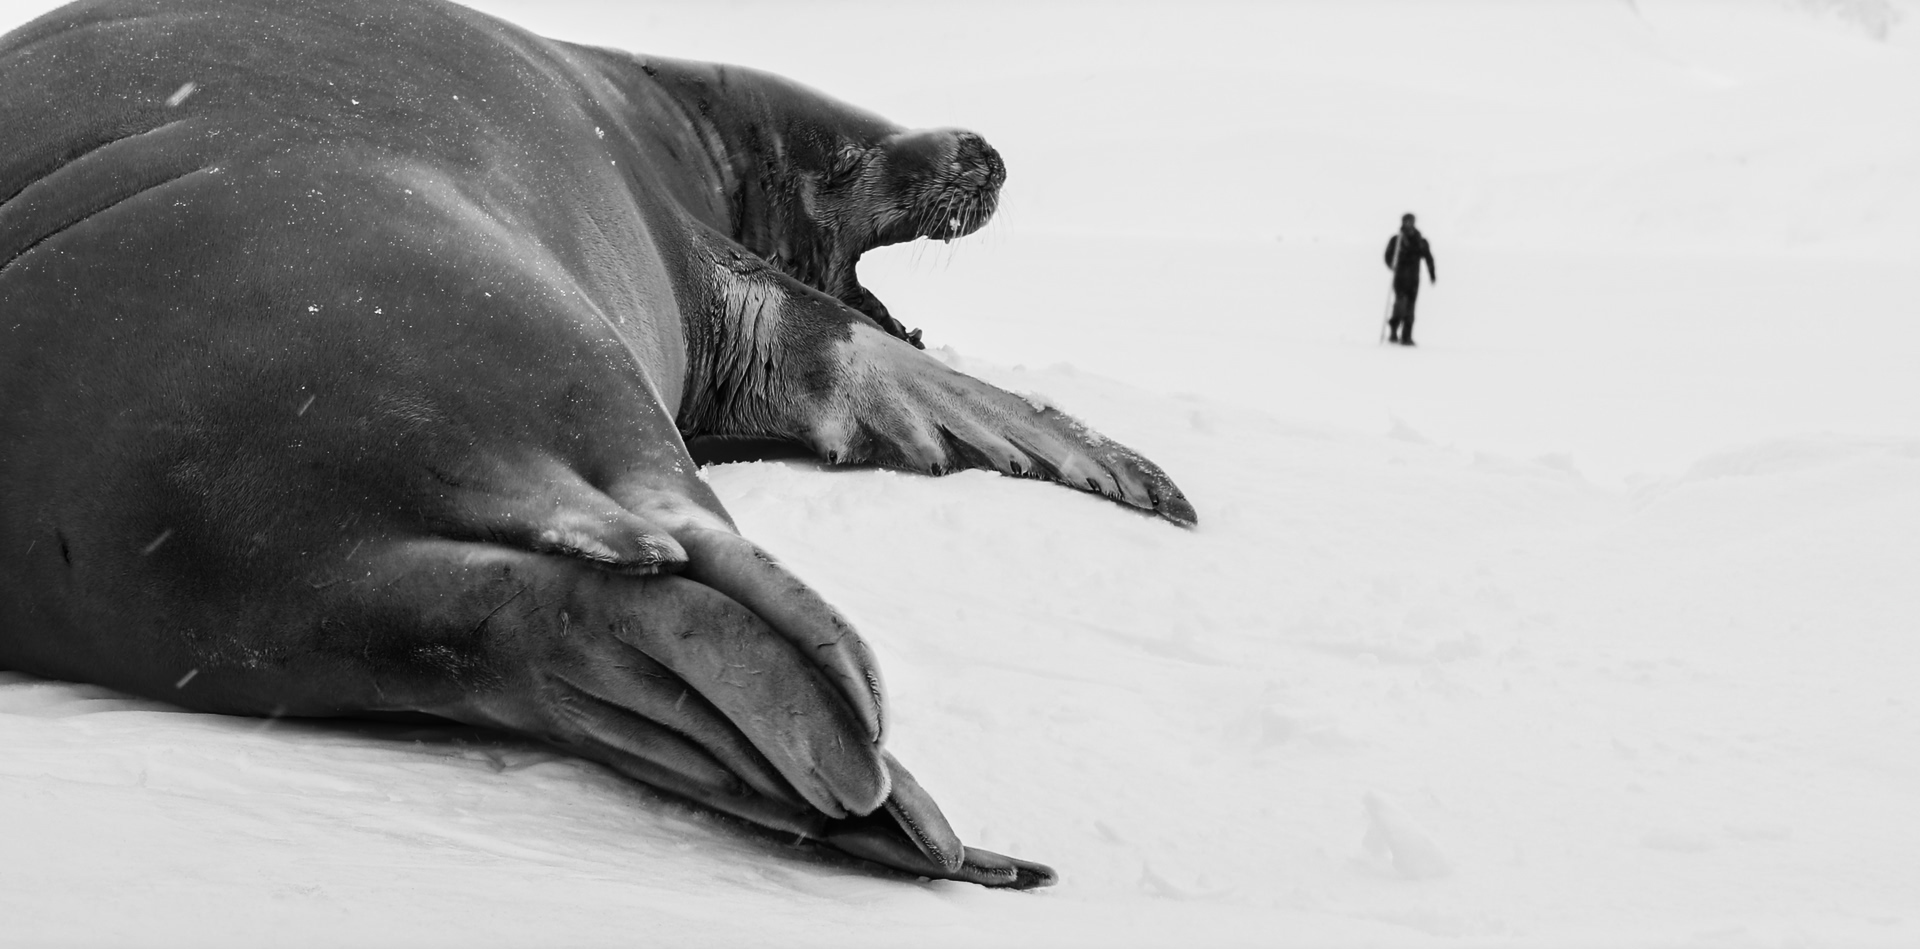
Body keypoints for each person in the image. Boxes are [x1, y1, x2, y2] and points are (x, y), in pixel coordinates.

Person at [1383, 213, 1437, 346]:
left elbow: (1428, 258)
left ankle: (1407, 336)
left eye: (1410, 221)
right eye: (1406, 222)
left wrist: (1432, 274)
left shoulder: (1420, 241)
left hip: (1414, 279)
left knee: (1410, 308)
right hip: (1400, 279)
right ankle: (1394, 331)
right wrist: (1392, 264)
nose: (1408, 224)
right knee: (1400, 305)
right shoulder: (1396, 240)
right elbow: (1388, 256)